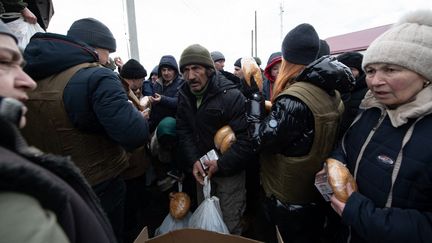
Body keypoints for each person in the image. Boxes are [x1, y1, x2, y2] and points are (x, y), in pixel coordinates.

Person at [21, 17, 149, 242]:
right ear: (97, 47)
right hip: (99, 185)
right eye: (107, 51)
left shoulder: (26, 76)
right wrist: (139, 117)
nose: (108, 58)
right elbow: (133, 134)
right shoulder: (97, 76)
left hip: (45, 187)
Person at [0, 20, 117, 243]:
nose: (28, 82)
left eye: (20, 65)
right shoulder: (10, 190)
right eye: (4, 62)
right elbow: (130, 133)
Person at [328, 9, 432, 242]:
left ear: (425, 73)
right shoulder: (371, 111)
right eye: (370, 71)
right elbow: (344, 148)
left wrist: (359, 213)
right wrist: (332, 168)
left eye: (391, 69)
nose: (375, 81)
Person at [244, 23, 353, 242]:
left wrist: (255, 99)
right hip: (315, 192)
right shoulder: (331, 92)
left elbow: (258, 141)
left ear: (288, 59)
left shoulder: (294, 99)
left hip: (289, 198)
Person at [176, 44, 253, 235]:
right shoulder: (184, 95)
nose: (190, 76)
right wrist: (194, 160)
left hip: (229, 174)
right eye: (185, 70)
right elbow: (183, 130)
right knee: (207, 226)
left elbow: (247, 139)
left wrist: (221, 164)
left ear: (209, 71)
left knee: (230, 223)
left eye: (196, 69)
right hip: (202, 173)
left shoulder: (231, 96)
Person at [336, 51, 367, 139]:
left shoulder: (367, 93)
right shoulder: (336, 88)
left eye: (351, 69)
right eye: (342, 68)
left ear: (361, 71)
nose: (346, 71)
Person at [149, 55, 183, 133]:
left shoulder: (181, 83)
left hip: (174, 127)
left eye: (169, 70)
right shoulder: (157, 84)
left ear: (175, 70)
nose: (166, 73)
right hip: (157, 126)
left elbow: (178, 102)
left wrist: (162, 99)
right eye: (163, 70)